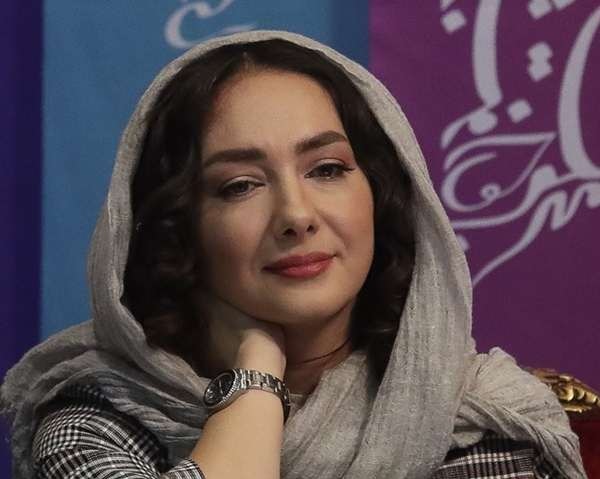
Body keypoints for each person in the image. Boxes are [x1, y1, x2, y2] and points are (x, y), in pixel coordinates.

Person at [0, 30, 587, 479]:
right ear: (179, 228)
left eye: (327, 169)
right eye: (240, 185)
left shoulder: (478, 419)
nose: (296, 215)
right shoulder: (99, 415)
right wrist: (256, 377)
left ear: (381, 195)